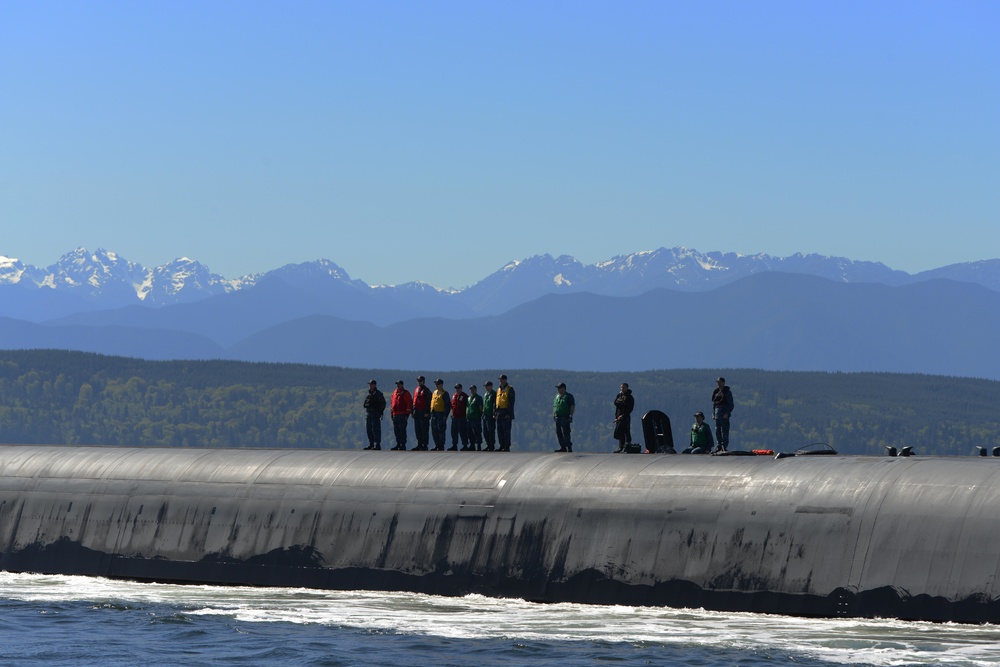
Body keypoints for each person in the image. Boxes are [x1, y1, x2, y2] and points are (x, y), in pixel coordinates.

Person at [712, 377, 735, 451]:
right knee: (717, 430)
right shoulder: (716, 392)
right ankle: (719, 445)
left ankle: (724, 446)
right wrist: (713, 413)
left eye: (720, 382)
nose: (718, 384)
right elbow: (714, 404)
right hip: (717, 414)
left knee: (724, 431)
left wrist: (727, 413)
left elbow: (731, 404)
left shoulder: (727, 392)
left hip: (724, 414)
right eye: (718, 382)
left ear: (723, 383)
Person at [389, 380, 413, 451]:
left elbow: (409, 404)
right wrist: (392, 413)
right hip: (395, 414)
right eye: (397, 384)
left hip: (402, 414)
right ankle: (398, 443)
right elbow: (392, 404)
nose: (398, 386)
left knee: (402, 430)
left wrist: (407, 414)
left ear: (402, 385)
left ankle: (403, 444)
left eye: (399, 384)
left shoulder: (406, 393)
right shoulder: (394, 393)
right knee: (396, 430)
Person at [363, 379, 386, 450]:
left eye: (371, 384)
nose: (370, 386)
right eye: (370, 384)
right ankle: (371, 444)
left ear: (375, 385)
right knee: (369, 430)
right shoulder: (369, 395)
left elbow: (383, 404)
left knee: (376, 430)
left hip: (375, 415)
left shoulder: (378, 394)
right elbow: (365, 404)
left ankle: (377, 444)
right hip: (369, 415)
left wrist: (379, 412)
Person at [495, 374, 516, 451]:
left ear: (505, 380)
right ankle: (501, 445)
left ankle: (507, 446)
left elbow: (511, 402)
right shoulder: (498, 389)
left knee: (506, 430)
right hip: (499, 412)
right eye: (500, 379)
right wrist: (495, 413)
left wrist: (508, 413)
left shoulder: (510, 389)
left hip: (506, 412)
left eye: (501, 379)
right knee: (499, 430)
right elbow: (496, 402)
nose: (500, 381)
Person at [552, 382, 575, 452]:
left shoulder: (568, 396)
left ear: (564, 388)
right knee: (559, 432)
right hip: (557, 417)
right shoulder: (557, 396)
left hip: (565, 417)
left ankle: (569, 447)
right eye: (558, 388)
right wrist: (554, 414)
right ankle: (563, 447)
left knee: (566, 432)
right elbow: (554, 406)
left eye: (560, 388)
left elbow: (572, 406)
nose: (558, 390)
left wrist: (570, 415)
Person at [411, 375, 431, 451]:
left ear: (423, 381)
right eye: (418, 381)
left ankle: (424, 445)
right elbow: (413, 401)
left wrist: (427, 412)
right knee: (418, 429)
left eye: (420, 381)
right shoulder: (416, 389)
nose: (419, 382)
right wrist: (412, 412)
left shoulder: (427, 390)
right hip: (417, 412)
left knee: (424, 429)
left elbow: (429, 402)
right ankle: (419, 444)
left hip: (423, 412)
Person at [429, 379, 450, 451]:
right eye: (436, 384)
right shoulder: (434, 392)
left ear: (441, 385)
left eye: (438, 384)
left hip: (441, 414)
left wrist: (445, 416)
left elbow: (448, 405)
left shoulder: (445, 393)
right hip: (434, 414)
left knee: (441, 431)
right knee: (434, 431)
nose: (436, 386)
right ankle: (436, 445)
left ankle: (441, 446)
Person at [612, 382, 634, 452]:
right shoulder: (619, 396)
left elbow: (630, 409)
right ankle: (620, 447)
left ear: (627, 388)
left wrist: (623, 416)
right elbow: (617, 406)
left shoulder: (629, 397)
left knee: (626, 431)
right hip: (618, 416)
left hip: (625, 417)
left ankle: (627, 446)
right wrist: (616, 416)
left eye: (623, 387)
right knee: (620, 432)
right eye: (621, 387)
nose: (622, 389)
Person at [449, 383, 469, 451]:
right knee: (453, 432)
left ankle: (465, 445)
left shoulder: (465, 396)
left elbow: (468, 406)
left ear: (461, 388)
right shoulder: (454, 396)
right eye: (456, 388)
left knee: (463, 432)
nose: (457, 390)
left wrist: (466, 415)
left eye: (458, 388)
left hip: (462, 417)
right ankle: (454, 445)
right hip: (454, 417)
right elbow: (452, 405)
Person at [466, 385, 484, 451]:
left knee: (477, 432)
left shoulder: (478, 398)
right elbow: (467, 407)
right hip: (469, 418)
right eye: (471, 389)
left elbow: (480, 407)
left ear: (476, 390)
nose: (472, 391)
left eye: (473, 389)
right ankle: (472, 445)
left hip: (476, 417)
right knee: (469, 432)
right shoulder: (469, 398)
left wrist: (480, 414)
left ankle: (479, 445)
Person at [481, 380, 497, 451]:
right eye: (485, 386)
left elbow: (495, 405)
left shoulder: (494, 394)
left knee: (490, 430)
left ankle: (492, 445)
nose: (486, 388)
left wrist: (494, 414)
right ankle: (488, 444)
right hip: (485, 415)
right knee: (485, 431)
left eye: (487, 386)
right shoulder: (485, 394)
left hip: (491, 415)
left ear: (490, 386)